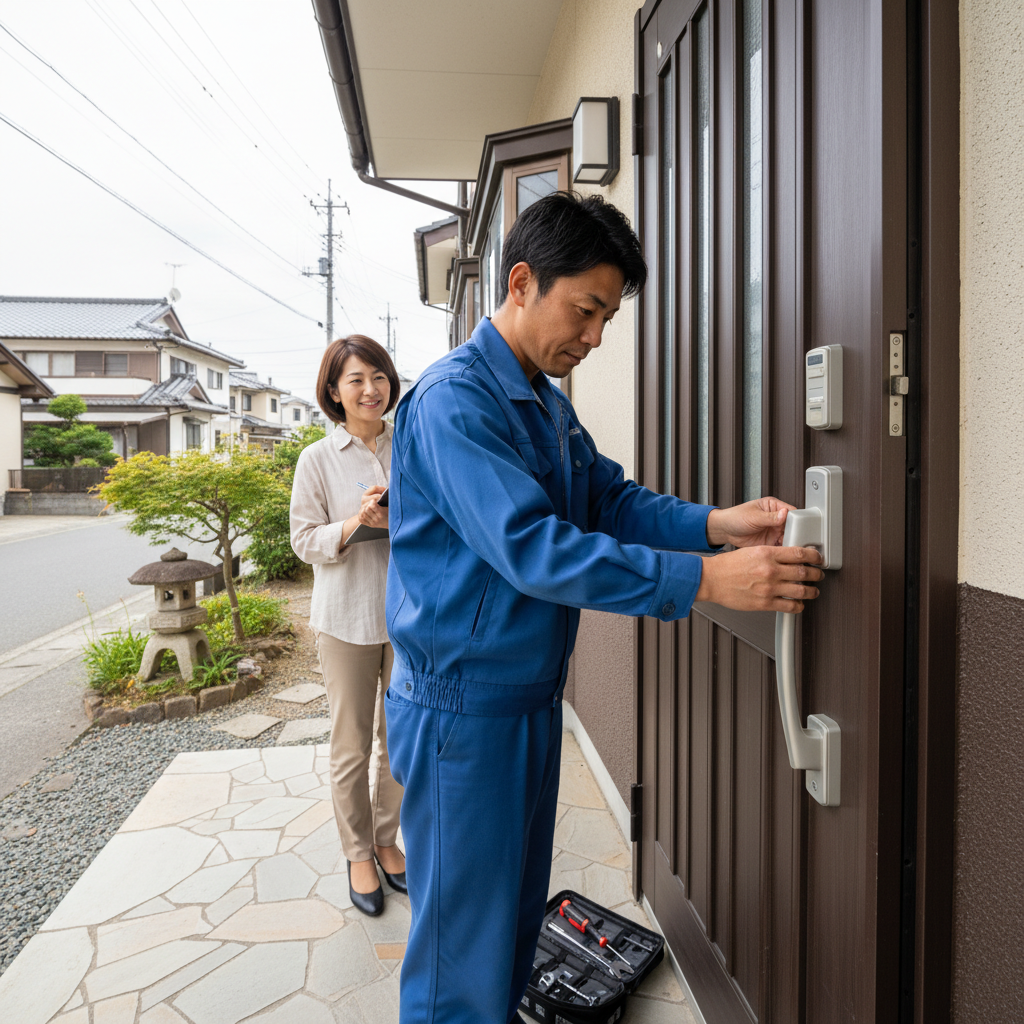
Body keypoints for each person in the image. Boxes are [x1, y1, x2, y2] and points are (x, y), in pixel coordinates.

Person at [384, 192, 824, 1023]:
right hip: (461, 717)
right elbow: (533, 548)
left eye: (605, 320)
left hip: (523, 705)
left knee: (510, 935)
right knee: (458, 964)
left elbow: (610, 503)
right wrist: (705, 581)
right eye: (584, 311)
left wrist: (714, 525)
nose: (591, 338)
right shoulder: (454, 402)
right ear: (521, 282)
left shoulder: (544, 403)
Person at [289, 334, 408, 917]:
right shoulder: (317, 458)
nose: (370, 389)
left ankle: (388, 841)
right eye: (356, 379)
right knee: (351, 745)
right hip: (345, 618)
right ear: (334, 391)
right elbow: (302, 539)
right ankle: (358, 852)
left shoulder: (409, 445)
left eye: (378, 376)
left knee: (401, 740)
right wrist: (354, 523)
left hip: (408, 614)